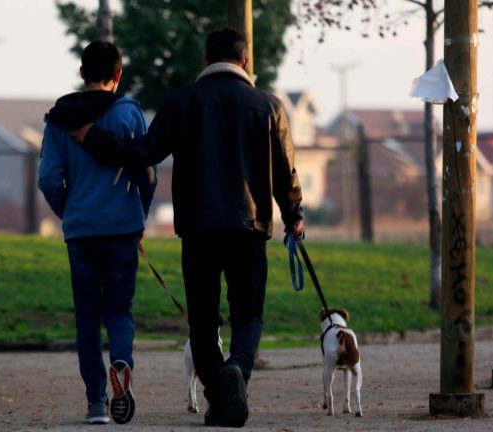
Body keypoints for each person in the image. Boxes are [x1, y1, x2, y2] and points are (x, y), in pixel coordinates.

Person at [71, 29, 304, 428]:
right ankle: (238, 372)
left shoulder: (183, 102)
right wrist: (294, 215)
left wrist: (94, 137)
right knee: (248, 315)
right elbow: (285, 171)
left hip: (198, 230)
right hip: (249, 229)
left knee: (203, 321)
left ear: (205, 61)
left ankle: (220, 399)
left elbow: (142, 153)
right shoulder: (269, 106)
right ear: (246, 62)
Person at [38, 40, 156, 425]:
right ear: (118, 75)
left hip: (82, 232)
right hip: (123, 227)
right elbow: (146, 171)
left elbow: (48, 179)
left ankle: (96, 404)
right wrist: (140, 214)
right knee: (120, 309)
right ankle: (121, 362)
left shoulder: (60, 117)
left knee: (87, 317)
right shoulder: (129, 113)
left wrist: (69, 211)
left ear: (82, 73)